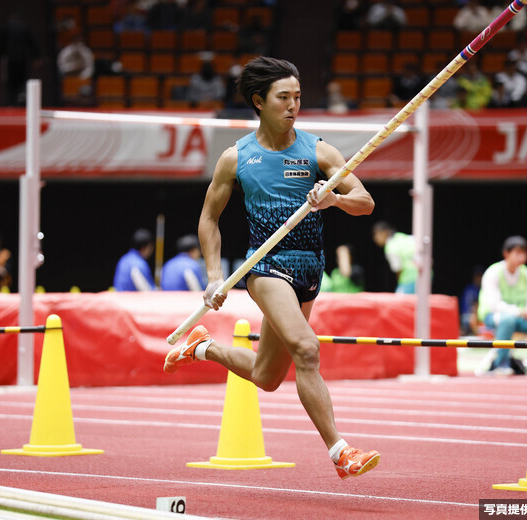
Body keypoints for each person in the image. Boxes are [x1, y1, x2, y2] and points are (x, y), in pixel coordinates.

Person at [163, 57, 380, 480]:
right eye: (284, 98)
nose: (293, 105)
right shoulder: (236, 157)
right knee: (307, 349)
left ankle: (202, 348)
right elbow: (209, 219)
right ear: (259, 102)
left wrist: (333, 200)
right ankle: (341, 453)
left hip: (309, 271)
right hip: (266, 268)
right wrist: (212, 276)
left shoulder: (319, 151)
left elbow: (366, 202)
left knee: (266, 377)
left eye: (298, 97)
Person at [477, 236, 527, 375]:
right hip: (494, 316)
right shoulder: (493, 272)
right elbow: (494, 304)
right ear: (506, 253)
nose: (522, 256)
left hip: (521, 317)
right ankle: (501, 364)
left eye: (524, 252)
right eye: (517, 252)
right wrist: (520, 312)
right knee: (508, 320)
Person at [372, 221, 417, 294]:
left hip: (410, 278)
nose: (375, 238)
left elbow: (398, 268)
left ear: (386, 232)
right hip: (427, 275)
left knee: (399, 303)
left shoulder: (390, 246)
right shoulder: (402, 236)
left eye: (378, 234)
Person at [460, 265, 484, 335]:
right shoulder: (470, 289)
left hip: (477, 320)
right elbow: (474, 307)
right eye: (478, 276)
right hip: (467, 318)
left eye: (481, 276)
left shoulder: (482, 289)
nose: (479, 278)